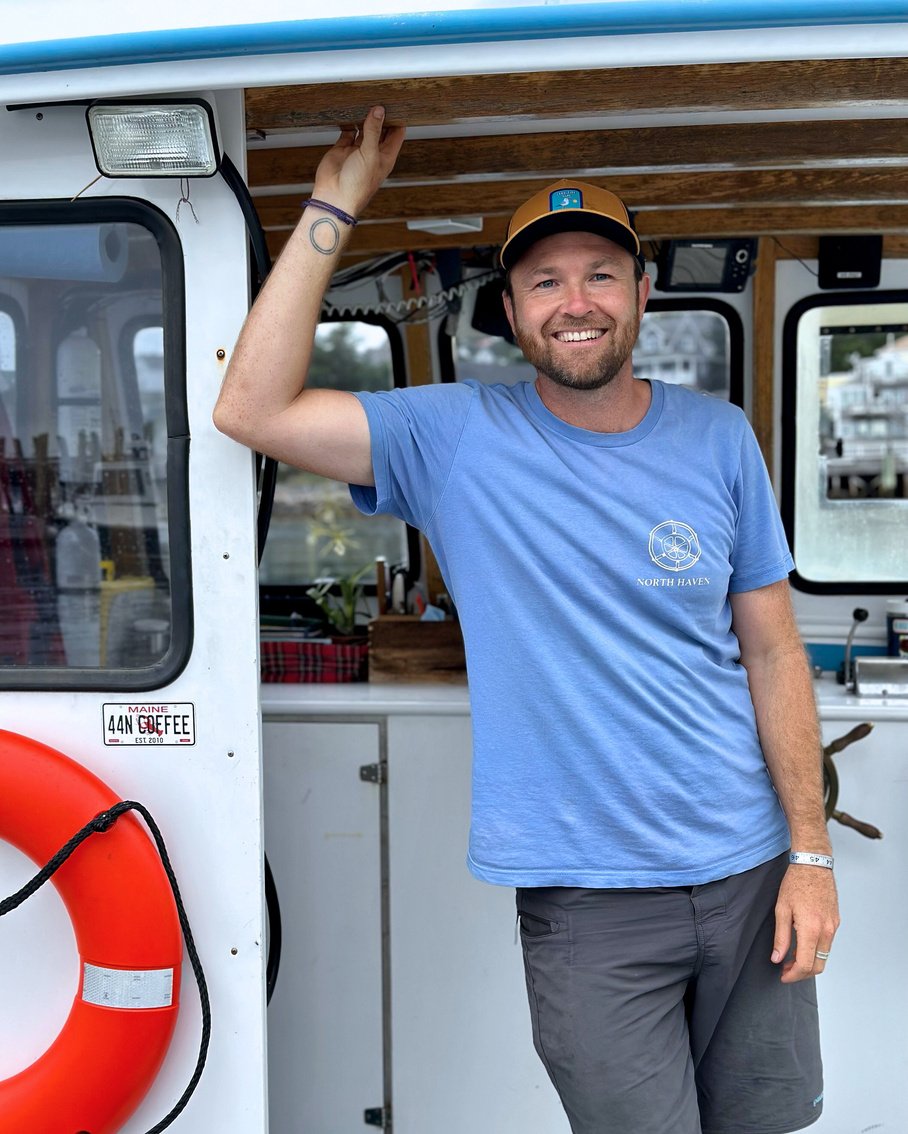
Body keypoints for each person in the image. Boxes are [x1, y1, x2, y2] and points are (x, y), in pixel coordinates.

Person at [214, 106, 840, 1134]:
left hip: (750, 865)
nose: (575, 302)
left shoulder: (719, 436)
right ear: (508, 311)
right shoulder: (452, 436)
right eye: (544, 281)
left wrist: (808, 857)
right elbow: (250, 409)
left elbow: (770, 648)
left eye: (599, 273)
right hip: (587, 902)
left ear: (641, 294)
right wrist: (333, 207)